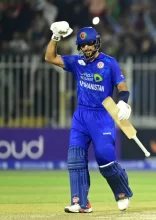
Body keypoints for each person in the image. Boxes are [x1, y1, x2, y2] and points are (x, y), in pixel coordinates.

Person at [44, 21, 133, 213]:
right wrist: (55, 37)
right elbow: (49, 57)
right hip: (81, 116)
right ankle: (80, 202)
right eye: (82, 45)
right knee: (75, 158)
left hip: (103, 116)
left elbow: (122, 87)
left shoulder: (109, 63)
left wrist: (123, 102)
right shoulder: (77, 63)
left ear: (97, 43)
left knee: (105, 158)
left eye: (89, 44)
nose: (86, 48)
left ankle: (121, 192)